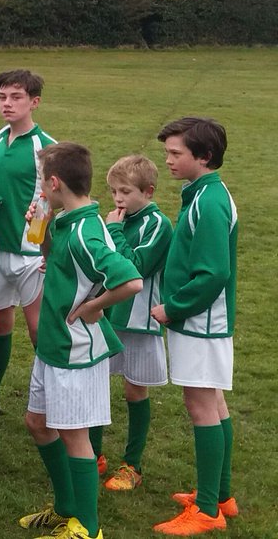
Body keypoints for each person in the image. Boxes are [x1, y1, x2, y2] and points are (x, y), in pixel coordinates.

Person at [18, 142, 142, 539]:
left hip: (75, 350)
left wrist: (94, 306)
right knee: (38, 423)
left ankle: (88, 529)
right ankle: (65, 509)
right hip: (52, 344)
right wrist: (41, 234)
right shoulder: (66, 220)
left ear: (55, 183)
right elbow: (55, 258)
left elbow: (131, 280)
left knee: (75, 437)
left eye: (42, 181)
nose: (41, 188)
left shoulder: (87, 233)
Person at [150, 118, 238, 535]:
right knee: (213, 403)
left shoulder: (210, 201)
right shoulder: (203, 193)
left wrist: (174, 308)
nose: (167, 160)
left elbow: (214, 272)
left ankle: (206, 511)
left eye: (175, 153)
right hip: (201, 320)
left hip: (200, 321)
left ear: (204, 156)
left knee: (201, 406)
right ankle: (220, 497)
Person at [0, 69, 56, 419]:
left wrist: (39, 242)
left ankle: (53, 397)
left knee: (39, 329)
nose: (7, 104)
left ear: (34, 102)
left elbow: (52, 198)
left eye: (16, 97)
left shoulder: (46, 147)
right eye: (2, 97)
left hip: (30, 254)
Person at [94, 155, 173, 491]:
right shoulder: (114, 218)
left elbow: (135, 266)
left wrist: (113, 230)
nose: (118, 199)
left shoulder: (158, 224)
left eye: (125, 191)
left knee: (134, 388)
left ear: (148, 191)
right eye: (114, 191)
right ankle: (93, 454)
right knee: (96, 380)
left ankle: (132, 464)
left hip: (140, 318)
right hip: (107, 314)